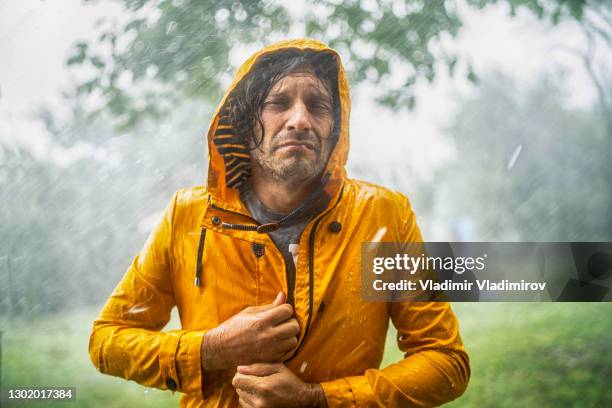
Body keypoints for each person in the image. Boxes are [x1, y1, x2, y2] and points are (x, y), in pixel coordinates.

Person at [89, 38, 470, 408]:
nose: (300, 120)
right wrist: (211, 349)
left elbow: (444, 362)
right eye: (279, 103)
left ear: (335, 128)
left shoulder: (382, 215)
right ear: (243, 121)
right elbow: (107, 341)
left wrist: (317, 400)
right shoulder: (188, 217)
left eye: (318, 105)